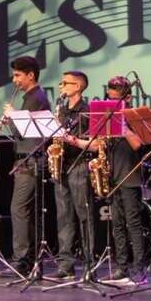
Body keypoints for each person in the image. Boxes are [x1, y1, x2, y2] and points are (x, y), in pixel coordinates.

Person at [0, 55, 51, 278]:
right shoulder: (30, 97)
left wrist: (12, 117)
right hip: (25, 159)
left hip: (31, 161)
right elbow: (20, 133)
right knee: (25, 211)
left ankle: (22, 261)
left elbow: (27, 133)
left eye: (18, 75)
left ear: (31, 75)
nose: (15, 79)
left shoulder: (36, 97)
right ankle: (27, 261)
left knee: (19, 209)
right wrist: (12, 120)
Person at [100, 76, 146, 286]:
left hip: (130, 176)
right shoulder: (105, 115)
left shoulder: (134, 116)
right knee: (117, 224)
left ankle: (139, 269)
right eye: (109, 94)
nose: (110, 98)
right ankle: (121, 268)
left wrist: (121, 124)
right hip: (112, 176)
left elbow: (138, 144)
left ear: (127, 97)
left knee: (133, 224)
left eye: (115, 96)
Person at [50, 70, 95, 280]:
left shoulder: (87, 111)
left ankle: (89, 263)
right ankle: (66, 264)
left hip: (79, 165)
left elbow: (94, 143)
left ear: (77, 87)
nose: (61, 86)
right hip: (61, 165)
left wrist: (69, 139)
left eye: (65, 83)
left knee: (83, 216)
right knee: (63, 217)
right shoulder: (61, 110)